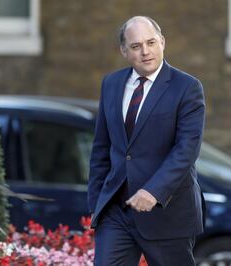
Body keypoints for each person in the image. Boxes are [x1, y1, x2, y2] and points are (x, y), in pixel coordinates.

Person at [88, 15, 205, 266]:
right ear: (123, 51)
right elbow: (101, 147)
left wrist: (154, 190)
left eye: (151, 43)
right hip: (116, 211)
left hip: (166, 212)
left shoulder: (187, 87)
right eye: (135, 46)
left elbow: (186, 149)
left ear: (162, 42)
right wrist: (96, 202)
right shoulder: (111, 84)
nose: (145, 52)